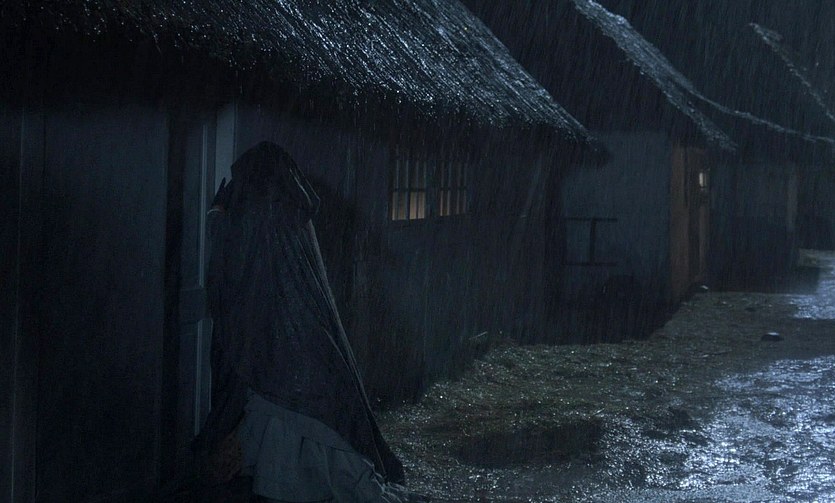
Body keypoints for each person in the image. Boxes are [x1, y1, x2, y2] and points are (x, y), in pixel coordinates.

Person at [193, 142, 425, 502]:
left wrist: (219, 217)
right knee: (304, 448)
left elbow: (233, 274)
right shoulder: (285, 214)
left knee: (302, 449)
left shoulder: (260, 214)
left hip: (283, 351)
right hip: (297, 346)